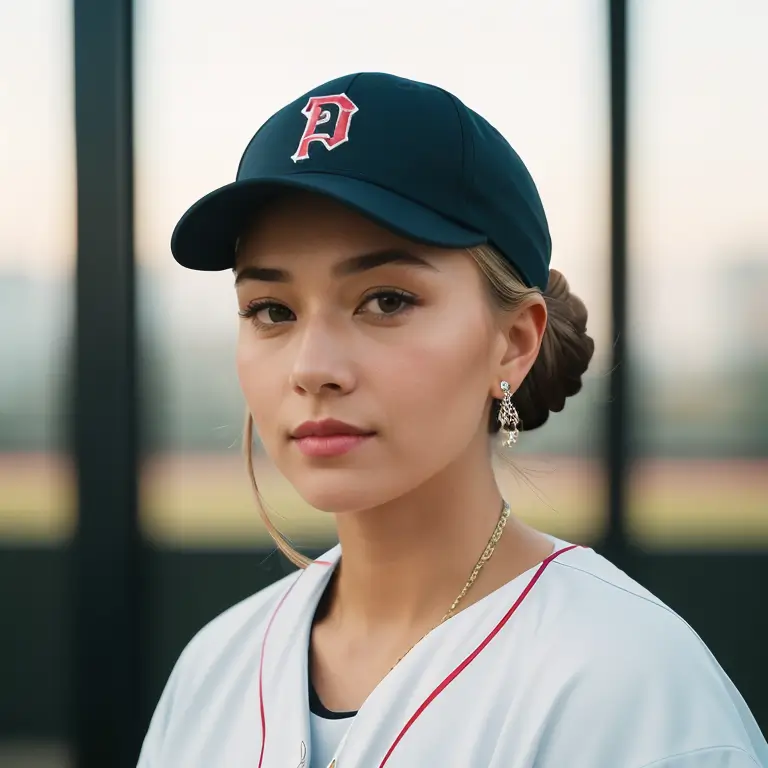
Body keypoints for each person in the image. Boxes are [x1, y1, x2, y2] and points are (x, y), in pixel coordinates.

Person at [137, 72, 768, 768]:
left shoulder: (632, 689)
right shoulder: (214, 666)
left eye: (385, 300)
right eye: (272, 311)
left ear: (515, 342)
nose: (312, 367)